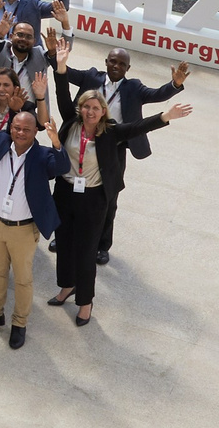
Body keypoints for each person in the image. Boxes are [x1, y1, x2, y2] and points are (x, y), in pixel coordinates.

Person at [45, 90, 191, 325]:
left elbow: (138, 127)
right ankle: (66, 286)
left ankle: (85, 302)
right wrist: (60, 68)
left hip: (93, 200)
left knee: (85, 251)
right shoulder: (71, 125)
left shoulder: (111, 132)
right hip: (65, 193)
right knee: (63, 244)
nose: (90, 112)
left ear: (103, 111)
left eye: (95, 108)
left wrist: (166, 116)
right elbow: (62, 98)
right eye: (86, 107)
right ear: (80, 109)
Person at [0, 107, 70, 350]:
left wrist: (56, 144)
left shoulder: (43, 155)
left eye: (26, 129)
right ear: (10, 128)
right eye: (16, 128)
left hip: (23, 229)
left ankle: (20, 324)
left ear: (36, 131)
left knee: (22, 280)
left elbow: (62, 168)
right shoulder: (0, 142)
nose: (20, 133)